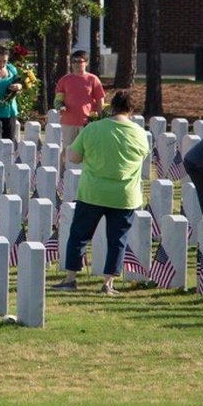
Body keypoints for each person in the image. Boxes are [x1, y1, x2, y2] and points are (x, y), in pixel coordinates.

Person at [51, 91, 149, 295]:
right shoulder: (140, 133)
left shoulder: (93, 128)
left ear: (111, 107)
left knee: (79, 236)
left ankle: (70, 279)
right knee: (117, 239)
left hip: (93, 192)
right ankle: (108, 283)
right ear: (132, 110)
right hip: (124, 195)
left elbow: (75, 158)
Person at [54, 49, 105, 173]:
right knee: (68, 148)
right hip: (68, 121)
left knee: (88, 149)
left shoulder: (93, 79)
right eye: (74, 61)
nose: (76, 64)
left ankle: (87, 173)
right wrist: (60, 106)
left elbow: (100, 100)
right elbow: (58, 98)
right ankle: (62, 174)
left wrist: (99, 118)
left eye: (80, 61)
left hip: (87, 121)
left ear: (86, 63)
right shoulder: (65, 80)